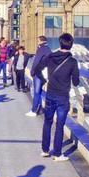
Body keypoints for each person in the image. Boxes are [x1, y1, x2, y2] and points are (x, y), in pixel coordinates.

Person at [31, 33, 79, 162]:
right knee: (60, 125)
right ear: (71, 45)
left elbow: (36, 69)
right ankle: (57, 153)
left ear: (60, 43)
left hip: (50, 94)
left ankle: (45, 150)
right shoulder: (73, 62)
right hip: (63, 97)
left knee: (47, 122)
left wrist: (44, 80)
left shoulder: (50, 57)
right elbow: (76, 82)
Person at [26, 36, 51, 116]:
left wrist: (32, 71)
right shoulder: (48, 49)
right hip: (45, 73)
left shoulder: (41, 49)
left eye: (38, 40)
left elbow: (36, 61)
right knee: (39, 92)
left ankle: (34, 110)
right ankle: (39, 109)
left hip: (38, 73)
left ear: (41, 41)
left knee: (37, 92)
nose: (37, 42)